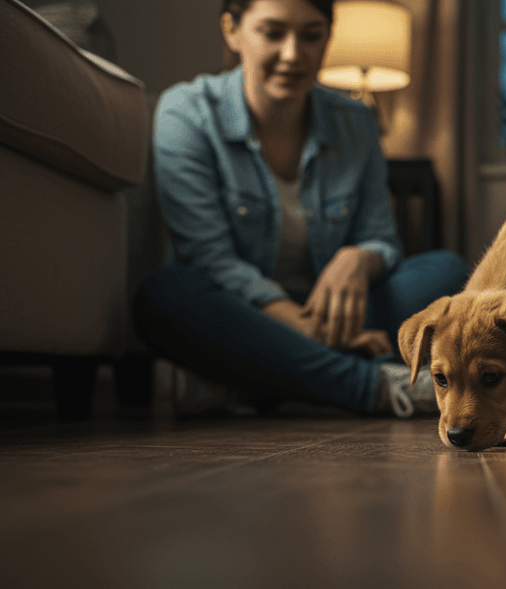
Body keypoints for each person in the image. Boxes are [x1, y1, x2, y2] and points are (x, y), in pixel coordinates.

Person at [133, 0, 469, 417]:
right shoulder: (186, 112)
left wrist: (359, 258)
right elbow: (209, 257)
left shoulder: (355, 121)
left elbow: (381, 237)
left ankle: (264, 381)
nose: (293, 54)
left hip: (342, 314)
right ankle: (377, 384)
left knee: (450, 273)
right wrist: (307, 328)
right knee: (165, 295)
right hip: (240, 314)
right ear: (232, 30)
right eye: (272, 33)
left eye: (311, 35)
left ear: (329, 36)